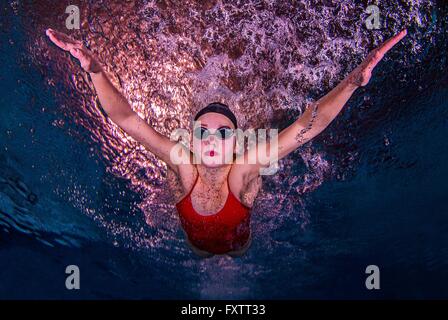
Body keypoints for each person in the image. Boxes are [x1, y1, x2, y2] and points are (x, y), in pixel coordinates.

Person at [45, 27, 407, 257]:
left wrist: (351, 83)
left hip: (240, 248)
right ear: (191, 139)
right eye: (203, 132)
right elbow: (127, 120)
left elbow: (306, 128)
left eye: (223, 132)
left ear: (235, 143)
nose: (212, 138)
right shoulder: (182, 164)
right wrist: (95, 70)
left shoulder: (242, 170)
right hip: (194, 247)